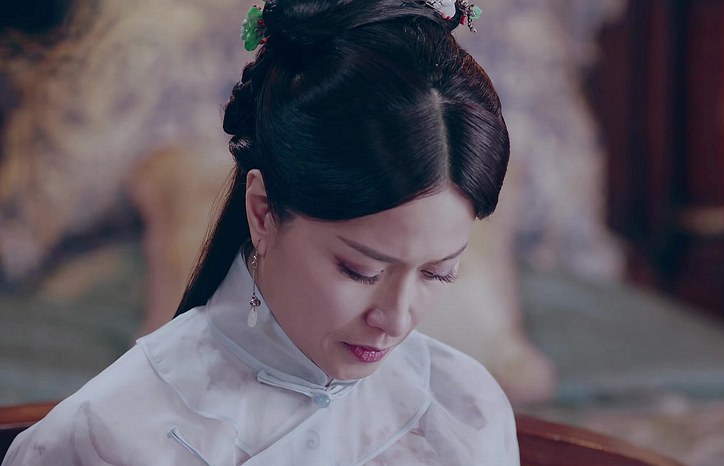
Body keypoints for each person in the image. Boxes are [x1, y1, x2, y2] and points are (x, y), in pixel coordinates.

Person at [2, 0, 518, 463]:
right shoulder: (109, 436)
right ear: (263, 212)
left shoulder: (464, 410)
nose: (396, 319)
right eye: (360, 270)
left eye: (438, 273)